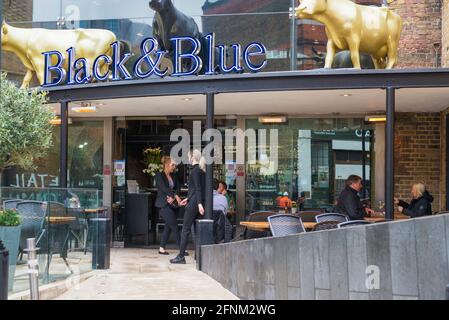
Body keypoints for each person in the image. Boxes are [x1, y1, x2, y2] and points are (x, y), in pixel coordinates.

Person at [170, 150, 206, 264]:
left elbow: (198, 188)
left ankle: (181, 256)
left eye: (188, 157)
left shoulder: (195, 171)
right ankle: (198, 255)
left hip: (194, 204)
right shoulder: (201, 171)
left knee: (185, 229)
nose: (188, 159)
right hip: (195, 201)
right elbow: (197, 189)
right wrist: (188, 199)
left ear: (192, 158)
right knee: (195, 230)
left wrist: (198, 203)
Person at [155, 156, 182, 255]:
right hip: (163, 204)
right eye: (172, 165)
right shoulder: (159, 175)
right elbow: (163, 188)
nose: (174, 167)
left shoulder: (174, 176)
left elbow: (178, 188)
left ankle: (161, 248)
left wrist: (173, 198)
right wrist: (173, 195)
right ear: (166, 165)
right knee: (174, 226)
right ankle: (182, 248)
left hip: (173, 204)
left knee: (168, 226)